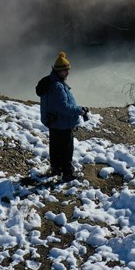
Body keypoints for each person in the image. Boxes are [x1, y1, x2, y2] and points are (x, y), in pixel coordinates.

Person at [39, 51, 88, 180]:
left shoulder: (49, 82)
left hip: (54, 121)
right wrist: (79, 110)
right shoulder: (57, 86)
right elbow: (63, 107)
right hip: (62, 123)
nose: (68, 73)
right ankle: (68, 174)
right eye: (66, 71)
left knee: (55, 147)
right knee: (66, 149)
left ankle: (55, 169)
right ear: (59, 71)